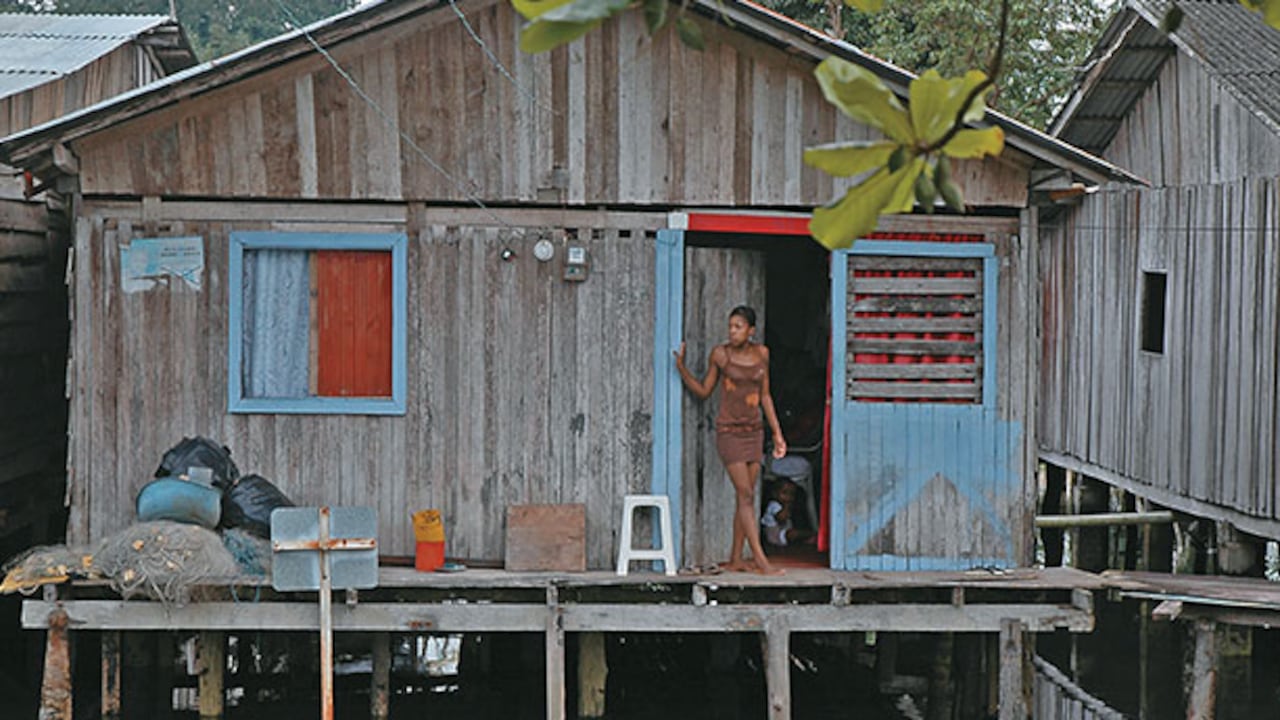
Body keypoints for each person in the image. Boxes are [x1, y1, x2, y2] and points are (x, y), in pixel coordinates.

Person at [674, 305, 786, 575]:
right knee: (746, 494)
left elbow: (766, 396)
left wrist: (777, 432)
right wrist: (681, 368)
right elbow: (703, 390)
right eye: (730, 326)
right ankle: (761, 561)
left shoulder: (762, 354)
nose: (732, 331)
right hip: (729, 433)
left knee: (744, 496)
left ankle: (736, 558)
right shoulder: (721, 355)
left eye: (738, 327)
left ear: (751, 331)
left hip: (754, 431)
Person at [760, 479, 816, 548]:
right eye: (784, 493)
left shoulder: (785, 505)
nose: (788, 497)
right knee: (793, 533)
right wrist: (786, 506)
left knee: (794, 532)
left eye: (791, 494)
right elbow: (781, 518)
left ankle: (808, 537)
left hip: (782, 532)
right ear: (775, 494)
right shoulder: (774, 505)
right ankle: (813, 534)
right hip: (775, 534)